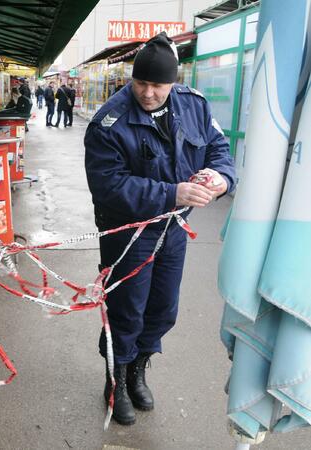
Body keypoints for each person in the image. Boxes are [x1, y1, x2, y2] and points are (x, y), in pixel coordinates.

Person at [84, 32, 236, 426]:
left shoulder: (194, 105)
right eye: (141, 83)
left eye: (158, 85)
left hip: (174, 231)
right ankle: (115, 379)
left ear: (175, 81)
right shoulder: (109, 123)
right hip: (127, 233)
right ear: (131, 79)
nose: (148, 93)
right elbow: (108, 185)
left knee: (163, 308)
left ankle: (138, 371)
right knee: (126, 311)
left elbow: (219, 149)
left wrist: (221, 178)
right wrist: (174, 192)